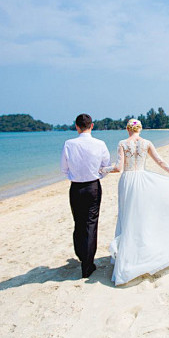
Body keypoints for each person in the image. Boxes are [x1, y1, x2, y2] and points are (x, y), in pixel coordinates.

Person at [101, 118, 169, 285]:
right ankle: (141, 253)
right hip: (141, 180)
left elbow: (118, 168)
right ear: (139, 129)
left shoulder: (122, 143)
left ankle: (128, 258)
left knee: (126, 217)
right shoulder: (146, 143)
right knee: (141, 216)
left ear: (128, 129)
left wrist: (102, 169)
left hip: (127, 181)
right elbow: (160, 162)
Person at [60, 113, 111, 278]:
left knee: (78, 222)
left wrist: (74, 177)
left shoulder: (69, 144)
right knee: (91, 224)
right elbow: (106, 166)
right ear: (92, 126)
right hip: (93, 187)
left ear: (76, 126)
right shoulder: (100, 144)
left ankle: (82, 257)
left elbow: (64, 169)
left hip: (76, 188)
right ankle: (87, 264)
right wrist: (97, 176)